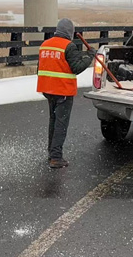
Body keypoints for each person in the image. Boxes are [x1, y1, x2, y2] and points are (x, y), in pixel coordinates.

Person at [36, 18, 94, 169]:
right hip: (62, 90)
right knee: (61, 124)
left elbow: (40, 68)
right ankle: (56, 157)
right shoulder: (68, 46)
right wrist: (89, 56)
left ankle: (51, 152)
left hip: (48, 89)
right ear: (69, 32)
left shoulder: (45, 45)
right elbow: (77, 67)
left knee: (53, 121)